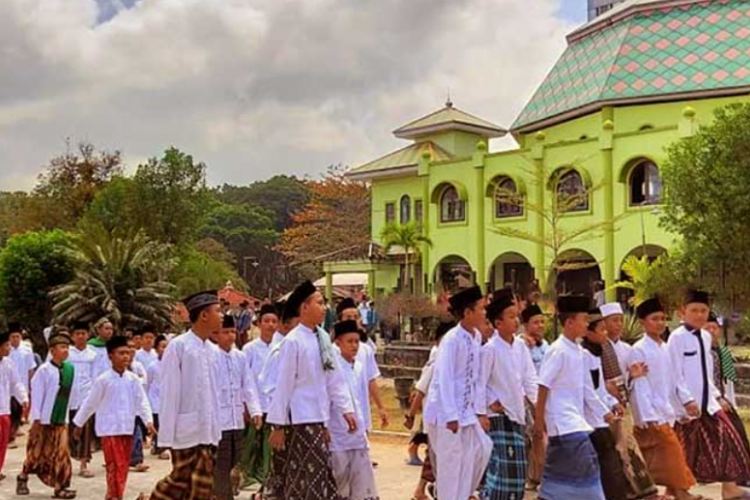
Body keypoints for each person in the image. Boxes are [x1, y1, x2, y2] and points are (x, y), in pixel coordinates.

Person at [267, 281, 356, 500]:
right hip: (300, 421)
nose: (324, 307)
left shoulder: (323, 339)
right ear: (304, 307)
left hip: (318, 419)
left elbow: (334, 379)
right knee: (311, 477)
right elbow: (284, 385)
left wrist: (346, 410)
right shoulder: (293, 342)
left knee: (312, 476)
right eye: (319, 302)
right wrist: (277, 425)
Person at [142, 290, 224, 500]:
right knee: (179, 481)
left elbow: (216, 393)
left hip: (209, 430)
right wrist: (167, 436)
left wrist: (218, 427)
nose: (222, 315)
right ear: (204, 315)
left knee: (201, 486)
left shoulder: (214, 351)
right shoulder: (179, 347)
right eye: (218, 311)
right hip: (186, 430)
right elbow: (169, 392)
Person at [668, 290, 750, 498]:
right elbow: (674, 373)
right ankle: (677, 490)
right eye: (694, 310)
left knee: (729, 440)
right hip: (686, 406)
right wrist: (686, 400)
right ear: (682, 312)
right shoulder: (676, 338)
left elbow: (706, 373)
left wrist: (717, 396)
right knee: (683, 451)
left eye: (703, 310)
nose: (699, 315)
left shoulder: (705, 337)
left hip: (708, 404)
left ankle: (730, 489)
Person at [534, 296, 614, 500]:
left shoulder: (580, 352)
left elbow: (588, 389)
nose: (587, 324)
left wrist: (606, 413)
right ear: (569, 322)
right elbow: (543, 386)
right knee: (587, 466)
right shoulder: (558, 351)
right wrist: (539, 422)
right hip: (563, 422)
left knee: (558, 476)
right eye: (584, 319)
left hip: (575, 421)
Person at [423, 286, 493, 500]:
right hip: (446, 415)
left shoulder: (476, 337)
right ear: (467, 312)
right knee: (451, 467)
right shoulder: (451, 340)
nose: (484, 313)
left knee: (481, 450)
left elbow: (478, 378)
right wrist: (451, 415)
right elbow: (443, 378)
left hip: (468, 413)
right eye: (481, 309)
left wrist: (480, 411)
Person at [629, 298, 700, 500]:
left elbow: (675, 379)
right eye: (654, 319)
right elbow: (639, 386)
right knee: (671, 451)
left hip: (667, 409)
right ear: (643, 322)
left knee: (666, 455)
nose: (660, 323)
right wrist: (646, 414)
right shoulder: (639, 349)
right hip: (651, 412)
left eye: (662, 319)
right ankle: (681, 491)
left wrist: (682, 406)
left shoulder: (666, 347)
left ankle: (670, 490)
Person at [73, 335, 155, 500]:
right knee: (114, 465)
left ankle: (114, 495)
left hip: (127, 428)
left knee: (123, 466)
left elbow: (142, 401)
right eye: (121, 353)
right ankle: (115, 496)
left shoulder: (133, 379)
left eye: (127, 353)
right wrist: (79, 423)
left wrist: (148, 420)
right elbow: (90, 403)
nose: (125, 356)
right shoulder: (103, 380)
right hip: (109, 430)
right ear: (110, 356)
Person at [480, 289, 539, 500]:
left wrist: (539, 406)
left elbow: (530, 379)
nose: (516, 321)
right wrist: (489, 402)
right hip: (498, 418)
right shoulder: (490, 350)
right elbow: (480, 382)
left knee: (517, 472)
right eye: (511, 317)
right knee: (502, 470)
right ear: (498, 323)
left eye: (517, 316)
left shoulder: (521, 347)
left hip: (517, 415)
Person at [599, 303, 658, 500]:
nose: (619, 325)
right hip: (604, 406)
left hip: (622, 404)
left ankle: (637, 489)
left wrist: (632, 377)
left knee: (626, 448)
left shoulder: (626, 348)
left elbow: (626, 382)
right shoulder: (598, 348)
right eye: (614, 320)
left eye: (620, 320)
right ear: (604, 323)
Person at [582, 309, 637, 500]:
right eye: (602, 330)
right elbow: (587, 390)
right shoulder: (584, 355)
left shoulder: (596, 354)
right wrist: (604, 411)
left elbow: (600, 390)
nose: (605, 334)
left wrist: (613, 402)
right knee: (607, 464)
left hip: (601, 416)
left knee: (611, 463)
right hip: (590, 420)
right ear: (589, 333)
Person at [16, 328, 77, 499]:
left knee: (63, 454)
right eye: (62, 346)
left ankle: (61, 487)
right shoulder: (43, 371)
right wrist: (36, 420)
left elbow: (69, 396)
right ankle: (23, 476)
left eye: (67, 346)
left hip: (61, 420)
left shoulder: (70, 370)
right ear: (52, 350)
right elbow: (37, 396)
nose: (66, 350)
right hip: (44, 420)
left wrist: (68, 419)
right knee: (37, 453)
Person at [213, 314, 263, 500]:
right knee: (222, 463)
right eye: (225, 332)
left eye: (233, 331)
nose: (230, 336)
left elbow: (248, 385)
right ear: (216, 334)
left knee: (235, 460)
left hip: (237, 420)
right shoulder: (210, 357)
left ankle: (219, 492)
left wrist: (255, 410)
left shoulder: (240, 357)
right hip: (219, 422)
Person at [329, 320, 379, 500]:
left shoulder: (359, 366)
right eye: (349, 341)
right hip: (338, 433)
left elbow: (361, 397)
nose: (354, 346)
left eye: (357, 341)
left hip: (358, 433)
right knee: (339, 482)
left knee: (361, 484)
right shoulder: (332, 367)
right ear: (338, 343)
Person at [404, 321, 453, 500]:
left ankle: (426, 489)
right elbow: (420, 390)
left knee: (434, 457)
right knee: (434, 457)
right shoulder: (435, 363)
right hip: (435, 418)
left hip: (446, 418)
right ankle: (424, 489)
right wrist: (410, 415)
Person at [258, 301, 299, 500]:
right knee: (280, 468)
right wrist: (278, 425)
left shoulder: (292, 345)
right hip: (281, 419)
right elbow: (272, 390)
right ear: (287, 324)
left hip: (295, 418)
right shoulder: (279, 350)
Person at [240, 304, 279, 490]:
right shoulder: (249, 349)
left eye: (274, 321)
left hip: (272, 407)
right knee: (249, 442)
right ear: (259, 324)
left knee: (267, 444)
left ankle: (264, 476)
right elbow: (244, 379)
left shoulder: (281, 348)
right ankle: (244, 474)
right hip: (254, 404)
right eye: (267, 321)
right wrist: (246, 405)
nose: (270, 325)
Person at [337, 297, 389, 431]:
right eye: (348, 317)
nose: (352, 320)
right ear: (340, 320)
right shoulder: (332, 351)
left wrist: (381, 407)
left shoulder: (365, 349)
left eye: (355, 316)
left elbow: (371, 380)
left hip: (362, 409)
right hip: (340, 415)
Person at [705, 312, 750, 458]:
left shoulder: (723, 353)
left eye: (714, 328)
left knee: (738, 434)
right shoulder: (700, 353)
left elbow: (727, 382)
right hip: (707, 401)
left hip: (724, 400)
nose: (712, 331)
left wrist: (730, 401)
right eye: (708, 328)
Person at [519, 303, 548, 491]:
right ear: (526, 325)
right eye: (535, 322)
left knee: (541, 437)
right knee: (533, 438)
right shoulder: (520, 344)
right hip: (526, 398)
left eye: (542, 322)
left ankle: (539, 477)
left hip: (543, 396)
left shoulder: (546, 346)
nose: (540, 326)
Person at [67, 321, 98, 479]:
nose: (80, 336)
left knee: (86, 431)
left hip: (86, 397)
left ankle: (84, 463)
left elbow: (96, 377)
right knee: (68, 431)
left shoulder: (93, 354)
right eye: (77, 334)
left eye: (83, 333)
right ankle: (67, 462)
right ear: (72, 336)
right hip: (68, 397)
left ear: (88, 335)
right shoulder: (67, 353)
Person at [0, 328, 28, 481]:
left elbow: (16, 383)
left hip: (4, 409)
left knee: (3, 441)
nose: (9, 348)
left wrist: (23, 398)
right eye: (6, 345)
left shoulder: (8, 363)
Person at [8, 322, 34, 444]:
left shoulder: (27, 350)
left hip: (22, 383)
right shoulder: (6, 349)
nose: (15, 339)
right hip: (8, 386)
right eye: (13, 337)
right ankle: (10, 435)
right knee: (10, 409)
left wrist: (31, 382)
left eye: (17, 336)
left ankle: (15, 428)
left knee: (18, 409)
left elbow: (31, 368)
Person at [127, 337, 150, 474]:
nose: (130, 351)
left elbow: (144, 379)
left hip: (135, 407)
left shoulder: (138, 366)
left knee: (137, 434)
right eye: (128, 348)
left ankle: (137, 460)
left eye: (132, 348)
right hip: (122, 409)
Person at [146, 335, 169, 460]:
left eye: (167, 347)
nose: (165, 349)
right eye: (162, 347)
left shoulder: (173, 364)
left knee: (165, 424)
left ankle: (163, 448)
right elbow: (148, 383)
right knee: (157, 424)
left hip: (167, 399)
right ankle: (158, 446)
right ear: (156, 349)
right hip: (154, 400)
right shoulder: (152, 366)